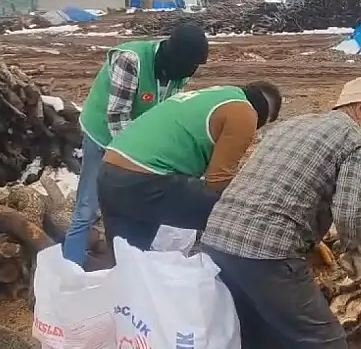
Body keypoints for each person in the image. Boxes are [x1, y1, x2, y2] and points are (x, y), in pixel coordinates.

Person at [200, 77, 361, 349]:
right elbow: (349, 212)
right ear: (360, 109)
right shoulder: (356, 141)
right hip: (267, 253)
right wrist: (358, 252)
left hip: (218, 240)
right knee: (323, 344)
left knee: (254, 333)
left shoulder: (292, 125)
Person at [63, 23, 209, 266]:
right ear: (173, 57)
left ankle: (126, 269)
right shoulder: (131, 61)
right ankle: (71, 271)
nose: (190, 73)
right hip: (102, 135)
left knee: (132, 209)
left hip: (134, 144)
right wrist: (140, 162)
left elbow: (165, 115)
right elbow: (117, 118)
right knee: (87, 209)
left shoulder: (178, 73)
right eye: (188, 66)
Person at [96, 82, 282, 254]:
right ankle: (230, 278)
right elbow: (218, 181)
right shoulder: (244, 112)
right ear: (265, 114)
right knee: (237, 213)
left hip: (110, 172)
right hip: (145, 181)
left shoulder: (215, 95)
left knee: (129, 262)